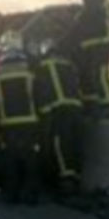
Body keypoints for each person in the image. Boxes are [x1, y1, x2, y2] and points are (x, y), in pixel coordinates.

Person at [0, 31, 42, 204]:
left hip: (7, 123)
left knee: (9, 159)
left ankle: (11, 195)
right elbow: (39, 93)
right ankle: (31, 196)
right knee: (30, 158)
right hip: (30, 121)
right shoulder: (30, 67)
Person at [57, 0, 109, 117]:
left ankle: (108, 107)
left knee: (99, 74)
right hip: (94, 42)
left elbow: (86, 20)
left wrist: (66, 38)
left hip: (101, 41)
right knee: (90, 75)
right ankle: (95, 107)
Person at [32, 40, 84, 197]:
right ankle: (76, 177)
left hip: (58, 109)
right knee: (75, 142)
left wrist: (42, 113)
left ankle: (66, 180)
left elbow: (39, 91)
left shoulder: (42, 67)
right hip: (76, 107)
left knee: (60, 144)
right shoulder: (68, 64)